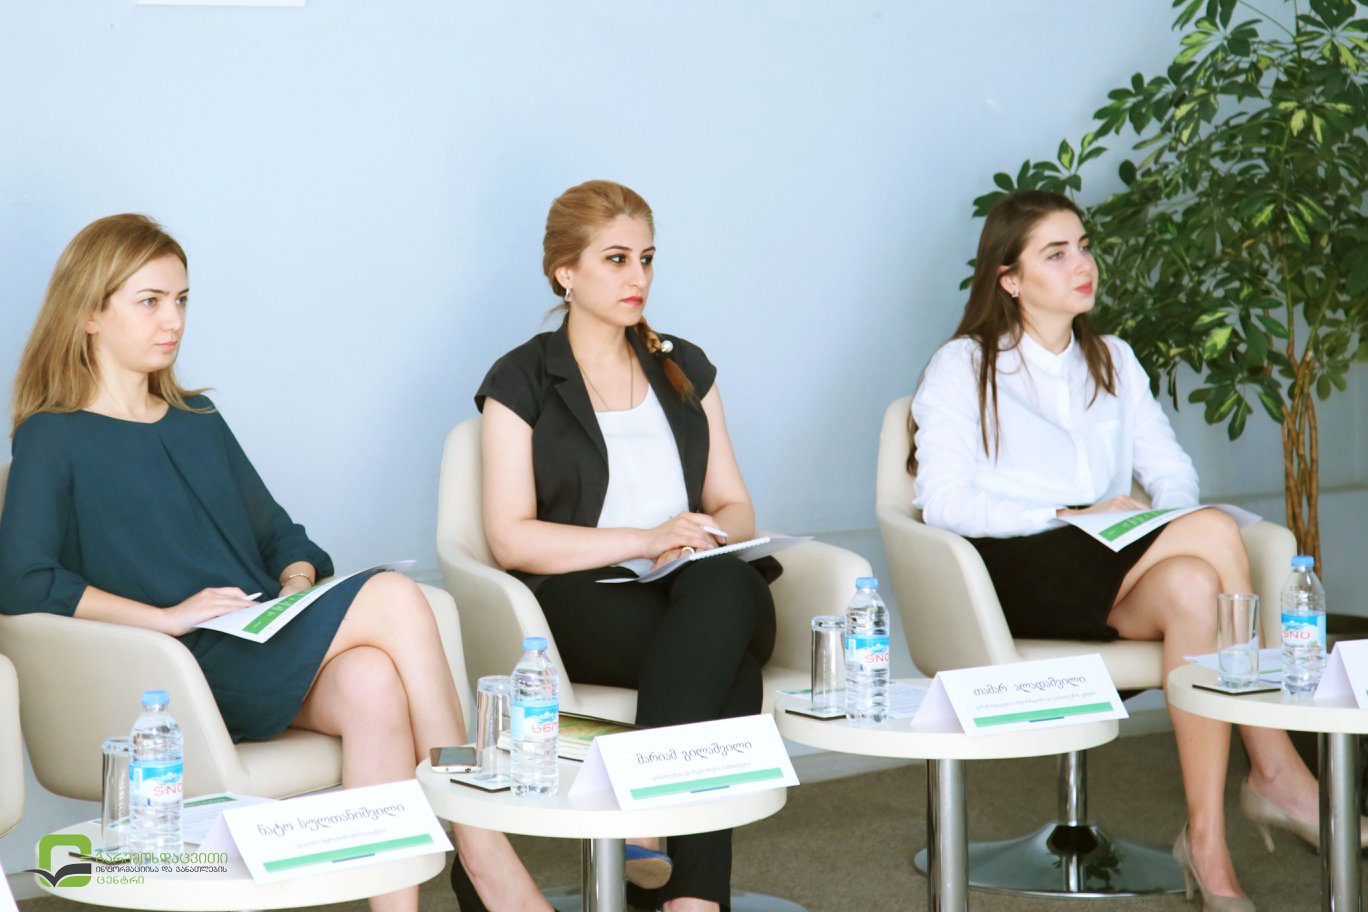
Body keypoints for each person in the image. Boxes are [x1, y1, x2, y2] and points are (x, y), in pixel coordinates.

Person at [0, 214, 549, 912]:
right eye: (150, 301)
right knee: (395, 595)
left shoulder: (197, 419)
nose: (174, 320)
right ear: (88, 314)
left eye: (182, 300)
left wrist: (293, 587)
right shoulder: (53, 437)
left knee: (373, 681)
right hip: (176, 670)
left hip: (255, 639)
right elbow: (22, 580)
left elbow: (286, 540)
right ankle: (481, 842)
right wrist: (164, 619)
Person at [909, 190, 1363, 911]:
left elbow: (1172, 471)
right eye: (1056, 254)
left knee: (1193, 583)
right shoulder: (963, 365)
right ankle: (1275, 767)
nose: (1082, 264)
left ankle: (1206, 843)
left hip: (1108, 566)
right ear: (1009, 278)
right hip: (1012, 571)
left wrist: (1154, 519)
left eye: (1084, 246)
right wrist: (1069, 514)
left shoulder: (1114, 359)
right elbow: (943, 501)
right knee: (1214, 533)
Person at [477, 180, 778, 912]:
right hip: (590, 601)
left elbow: (736, 506)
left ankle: (643, 819)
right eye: (615, 259)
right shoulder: (521, 379)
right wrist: (647, 538)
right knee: (728, 665)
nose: (637, 276)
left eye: (646, 258)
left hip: (700, 588)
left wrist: (697, 538)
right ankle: (694, 900)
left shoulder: (684, 364)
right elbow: (510, 538)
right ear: (566, 272)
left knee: (723, 586)